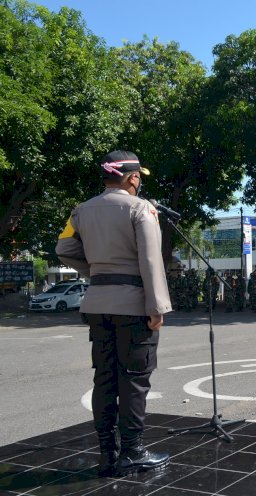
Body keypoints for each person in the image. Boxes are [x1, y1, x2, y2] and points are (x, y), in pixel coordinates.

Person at [55, 150, 169, 476]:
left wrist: (96, 270)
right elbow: (151, 260)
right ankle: (132, 452)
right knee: (133, 381)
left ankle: (108, 454)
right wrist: (157, 307)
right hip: (133, 305)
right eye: (138, 178)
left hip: (97, 304)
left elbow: (64, 248)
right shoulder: (140, 209)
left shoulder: (81, 211)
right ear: (132, 177)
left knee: (104, 379)